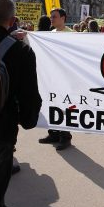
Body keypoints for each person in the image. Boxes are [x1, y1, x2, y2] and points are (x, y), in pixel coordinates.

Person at [0, 0, 42, 207]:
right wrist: (28, 120)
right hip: (1, 129)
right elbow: (29, 96)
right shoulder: (19, 51)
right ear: (11, 20)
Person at [38, 8, 73, 151]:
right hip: (51, 77)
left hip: (64, 78)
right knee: (51, 105)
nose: (51, 19)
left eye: (54, 17)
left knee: (64, 107)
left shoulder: (72, 35)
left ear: (63, 18)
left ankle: (65, 136)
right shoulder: (51, 34)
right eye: (51, 17)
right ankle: (53, 133)